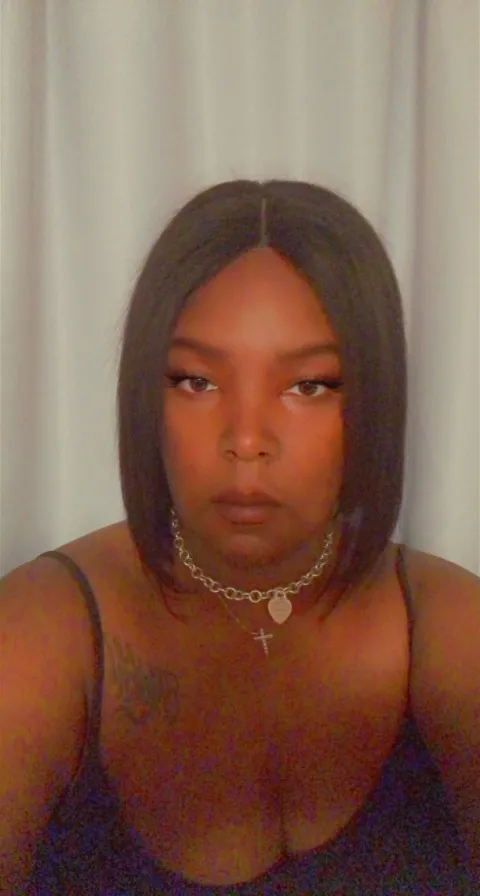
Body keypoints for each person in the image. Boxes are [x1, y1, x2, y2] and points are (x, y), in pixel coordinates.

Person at [1, 180, 478, 895]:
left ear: (374, 399)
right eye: (197, 380)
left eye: (308, 385)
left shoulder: (448, 624)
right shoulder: (44, 631)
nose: (247, 439)